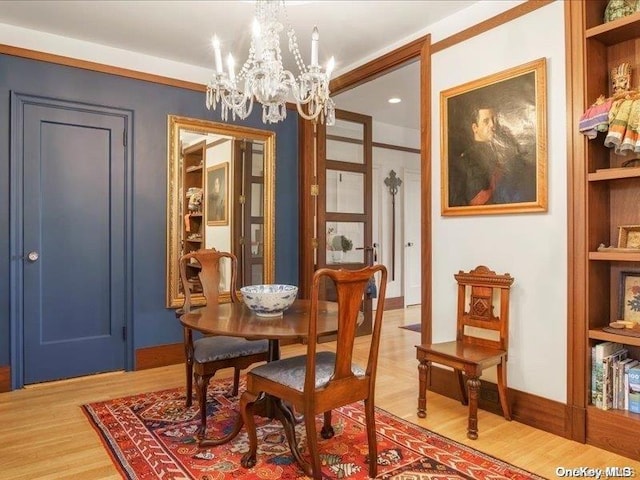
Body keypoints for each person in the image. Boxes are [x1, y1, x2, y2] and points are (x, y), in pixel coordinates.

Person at [449, 104, 535, 207]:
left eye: (494, 120)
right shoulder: (463, 161)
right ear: (475, 128)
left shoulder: (506, 155)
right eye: (486, 121)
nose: (492, 125)